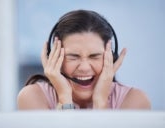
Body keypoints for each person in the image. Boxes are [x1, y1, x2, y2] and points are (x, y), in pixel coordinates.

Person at [17, 9, 151, 110]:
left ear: (111, 58)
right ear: (54, 57)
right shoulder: (33, 97)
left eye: (94, 56)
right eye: (73, 56)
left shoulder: (135, 100)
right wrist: (64, 99)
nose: (84, 67)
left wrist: (100, 102)